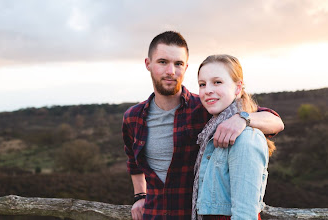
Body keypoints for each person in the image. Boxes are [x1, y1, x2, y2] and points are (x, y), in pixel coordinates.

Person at [122, 31, 284, 220]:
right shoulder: (133, 118)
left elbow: (275, 121)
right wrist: (140, 195)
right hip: (154, 214)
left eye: (178, 64)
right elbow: (133, 162)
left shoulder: (207, 107)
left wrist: (242, 119)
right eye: (163, 62)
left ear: (186, 67)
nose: (171, 71)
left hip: (191, 214)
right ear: (148, 64)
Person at [192, 54, 276, 220]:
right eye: (202, 84)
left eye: (217, 82)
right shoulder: (210, 129)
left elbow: (245, 215)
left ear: (238, 88)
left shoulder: (245, 138)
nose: (207, 89)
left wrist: (242, 119)